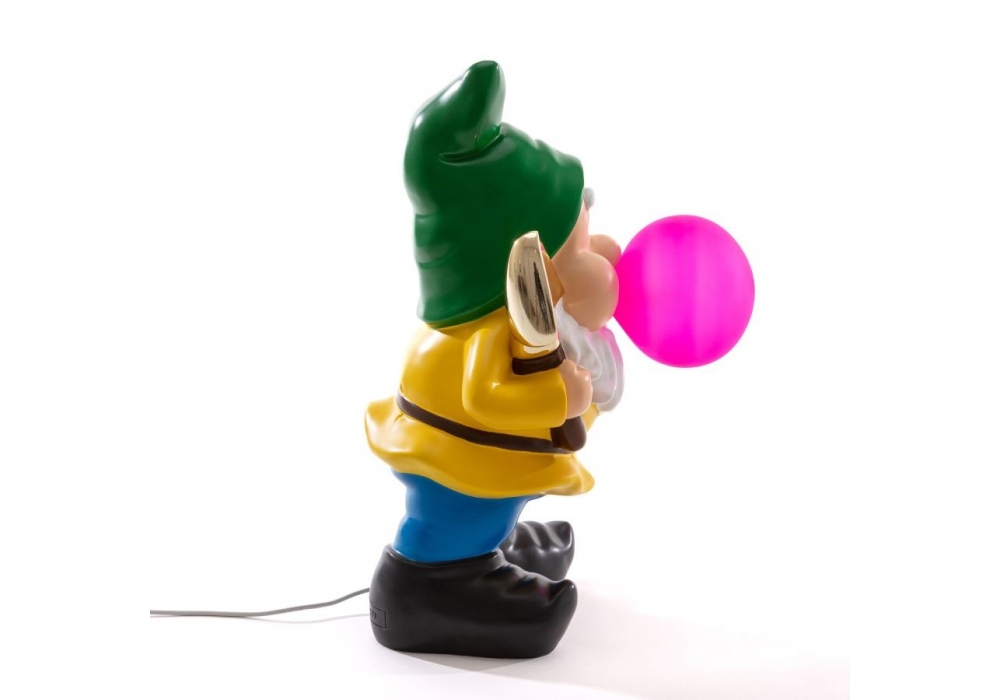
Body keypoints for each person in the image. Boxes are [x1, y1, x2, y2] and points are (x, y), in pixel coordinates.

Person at [365, 60, 624, 658]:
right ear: (516, 265)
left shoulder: (509, 324)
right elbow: (486, 397)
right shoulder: (483, 337)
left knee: (493, 501)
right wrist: (564, 393)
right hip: (460, 469)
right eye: (579, 247)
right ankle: (435, 581)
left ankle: (492, 544)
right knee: (464, 509)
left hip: (489, 467)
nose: (608, 255)